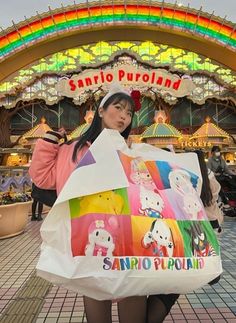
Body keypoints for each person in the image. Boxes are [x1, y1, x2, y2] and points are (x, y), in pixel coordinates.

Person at [29, 85, 178, 323]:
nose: (123, 117)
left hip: (128, 238)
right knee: (96, 295)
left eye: (128, 113)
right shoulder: (72, 149)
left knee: (133, 297)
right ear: (100, 110)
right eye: (118, 108)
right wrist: (47, 145)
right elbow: (43, 178)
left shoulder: (131, 151)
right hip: (91, 238)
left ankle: (164, 297)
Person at [195, 150, 223, 233]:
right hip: (212, 218)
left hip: (195, 220)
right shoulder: (209, 174)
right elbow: (216, 190)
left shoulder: (189, 175)